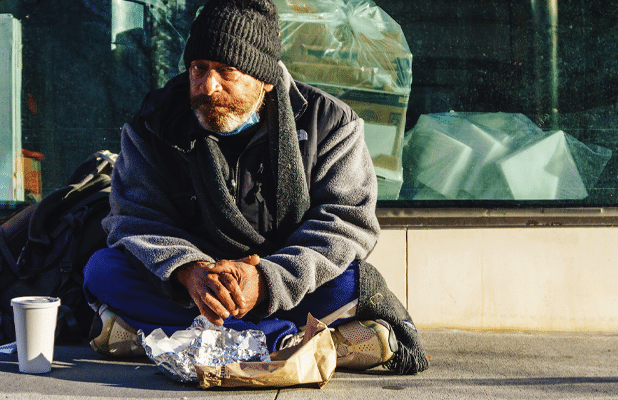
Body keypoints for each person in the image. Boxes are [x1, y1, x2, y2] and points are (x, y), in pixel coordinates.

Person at [82, 0, 428, 374]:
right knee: (103, 270)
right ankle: (288, 342)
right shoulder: (153, 124)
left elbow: (345, 224)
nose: (207, 86)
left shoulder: (331, 123)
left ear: (264, 79)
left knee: (352, 283)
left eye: (226, 71)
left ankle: (156, 337)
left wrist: (265, 281)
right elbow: (135, 218)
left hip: (284, 286)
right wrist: (189, 271)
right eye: (199, 69)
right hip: (194, 293)